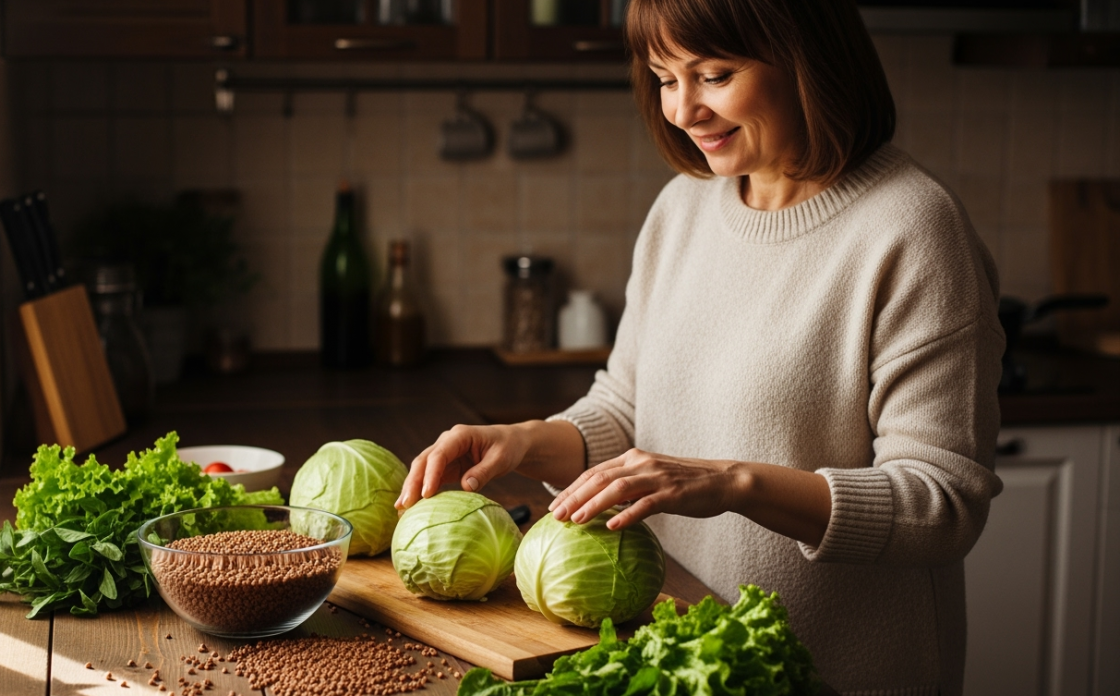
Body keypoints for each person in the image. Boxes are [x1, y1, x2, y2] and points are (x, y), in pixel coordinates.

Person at [397, 0, 1004, 692]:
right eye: (664, 78)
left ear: (808, 61)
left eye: (714, 75)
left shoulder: (913, 229)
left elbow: (941, 504)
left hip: (843, 673)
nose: (683, 110)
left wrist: (730, 484)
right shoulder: (682, 207)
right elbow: (628, 411)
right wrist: (523, 442)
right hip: (691, 662)